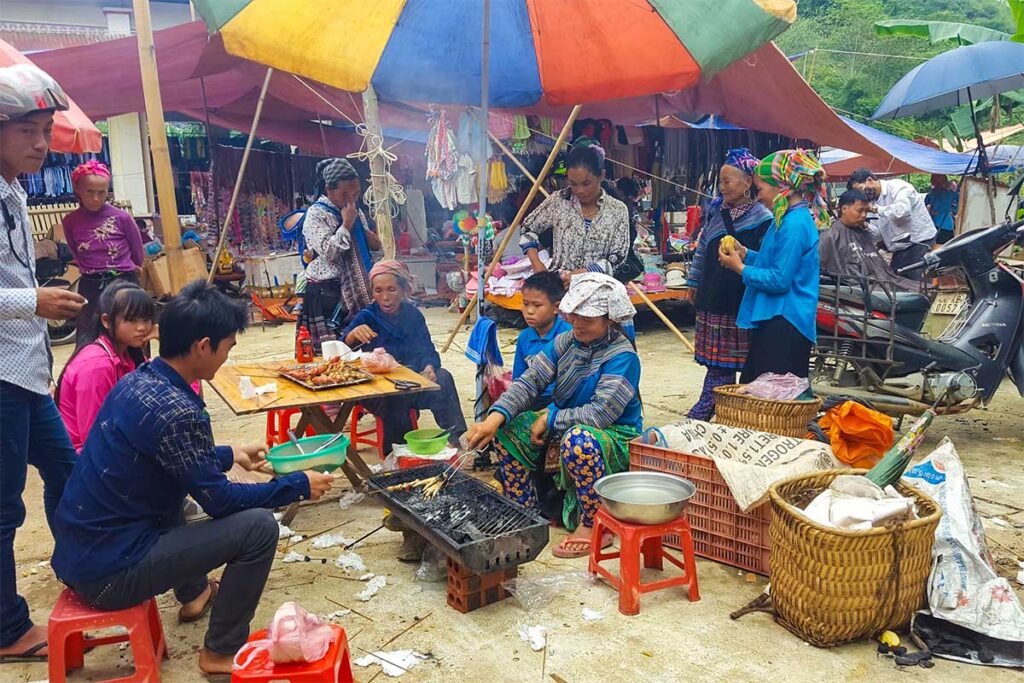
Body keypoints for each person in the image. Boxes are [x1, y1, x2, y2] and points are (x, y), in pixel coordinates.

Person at [51, 281, 335, 675]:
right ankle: (220, 651)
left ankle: (195, 592)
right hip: (109, 573)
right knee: (257, 528)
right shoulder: (177, 410)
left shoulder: (141, 379)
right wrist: (297, 486)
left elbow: (170, 457)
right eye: (227, 348)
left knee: (182, 501)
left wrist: (229, 454)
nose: (226, 357)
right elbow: (218, 501)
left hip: (80, 554)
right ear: (203, 346)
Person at [0, 64, 86, 663]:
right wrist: (34, 299)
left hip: (28, 373)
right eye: (27, 128)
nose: (40, 142)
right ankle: (6, 629)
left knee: (71, 473)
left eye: (46, 128)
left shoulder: (15, 190)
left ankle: (82, 566)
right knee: (4, 507)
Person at [465, 273, 643, 559]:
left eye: (589, 319)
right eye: (576, 316)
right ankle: (524, 509)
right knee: (508, 428)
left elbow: (600, 414)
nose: (579, 324)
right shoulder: (565, 342)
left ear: (609, 320)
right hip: (568, 422)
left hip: (613, 434)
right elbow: (531, 381)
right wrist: (493, 418)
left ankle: (594, 523)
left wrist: (550, 418)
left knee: (579, 439)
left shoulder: (622, 356)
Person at [719, 150, 823, 383]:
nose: (759, 197)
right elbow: (774, 263)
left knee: (770, 399)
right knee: (757, 392)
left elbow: (779, 279)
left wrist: (739, 268)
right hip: (777, 318)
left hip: (786, 321)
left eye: (761, 189)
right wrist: (745, 254)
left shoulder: (794, 224)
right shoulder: (784, 219)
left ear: (781, 187)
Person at [685, 148, 774, 420]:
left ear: (748, 182)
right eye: (721, 181)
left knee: (737, 367)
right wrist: (693, 281)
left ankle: (711, 414)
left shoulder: (763, 219)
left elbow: (764, 262)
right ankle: (711, 413)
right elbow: (701, 251)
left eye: (728, 180)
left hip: (740, 306)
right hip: (712, 299)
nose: (722, 187)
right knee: (717, 366)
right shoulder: (716, 213)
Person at [343, 260, 467, 451]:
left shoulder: (413, 315)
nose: (385, 297)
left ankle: (454, 438)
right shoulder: (366, 317)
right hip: (379, 390)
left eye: (391, 290)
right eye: (378, 291)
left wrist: (429, 367)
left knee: (443, 378)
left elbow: (428, 350)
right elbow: (338, 351)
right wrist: (351, 337)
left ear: (404, 290)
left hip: (412, 382)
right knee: (395, 396)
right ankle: (398, 451)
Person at [56, 280, 155, 451]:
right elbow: (94, 436)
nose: (142, 328)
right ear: (106, 321)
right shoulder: (97, 365)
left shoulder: (130, 355)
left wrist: (168, 342)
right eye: (131, 320)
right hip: (88, 461)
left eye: (146, 319)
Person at [296, 158, 382, 354]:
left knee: (360, 351)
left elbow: (367, 253)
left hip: (356, 294)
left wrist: (375, 244)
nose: (351, 199)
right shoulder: (316, 215)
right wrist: (346, 226)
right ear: (329, 189)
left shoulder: (354, 211)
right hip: (327, 296)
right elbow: (330, 253)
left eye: (356, 193)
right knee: (331, 355)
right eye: (344, 194)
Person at [519, 139, 632, 287]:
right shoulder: (558, 201)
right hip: (558, 287)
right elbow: (528, 229)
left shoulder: (617, 210)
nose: (580, 190)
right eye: (573, 183)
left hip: (596, 290)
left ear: (601, 176)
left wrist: (578, 275)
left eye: (586, 183)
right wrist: (537, 264)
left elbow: (617, 258)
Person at [61, 160, 145, 344]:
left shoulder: (122, 218)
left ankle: (135, 371)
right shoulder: (70, 221)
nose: (96, 198)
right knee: (88, 336)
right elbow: (76, 252)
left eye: (101, 193)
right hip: (91, 286)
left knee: (132, 335)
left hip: (123, 282)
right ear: (78, 190)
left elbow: (137, 252)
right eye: (90, 192)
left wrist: (132, 270)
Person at [820, 189, 919, 291]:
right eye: (860, 210)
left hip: (885, 280)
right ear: (844, 209)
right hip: (861, 288)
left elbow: (877, 238)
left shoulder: (863, 231)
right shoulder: (831, 236)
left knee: (923, 289)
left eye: (866, 211)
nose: (864, 215)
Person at [847, 168, 936, 279]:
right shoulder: (871, 203)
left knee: (915, 282)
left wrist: (875, 209)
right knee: (895, 280)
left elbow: (902, 211)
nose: (861, 194)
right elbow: (878, 234)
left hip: (920, 242)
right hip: (900, 248)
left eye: (861, 189)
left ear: (869, 180)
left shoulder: (899, 187)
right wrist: (864, 225)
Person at [514, 271, 572, 408]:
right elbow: (518, 377)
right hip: (530, 396)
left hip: (559, 401)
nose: (529, 311)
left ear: (556, 307)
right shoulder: (524, 337)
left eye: (537, 305)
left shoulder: (568, 335)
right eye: (526, 304)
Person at [924, 173, 959, 244]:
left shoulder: (932, 194)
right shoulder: (952, 194)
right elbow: (956, 208)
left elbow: (926, 210)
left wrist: (932, 212)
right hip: (949, 225)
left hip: (936, 225)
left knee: (937, 248)